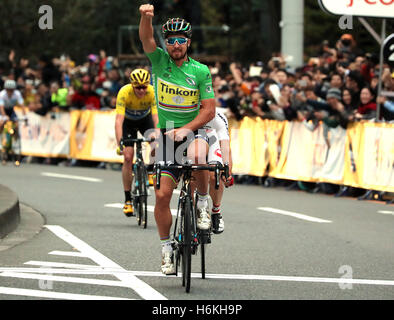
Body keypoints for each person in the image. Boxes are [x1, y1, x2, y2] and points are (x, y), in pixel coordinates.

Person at [139, 4, 216, 275]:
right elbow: (146, 39)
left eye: (181, 40)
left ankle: (203, 204)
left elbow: (209, 110)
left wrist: (187, 130)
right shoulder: (160, 62)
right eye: (170, 40)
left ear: (188, 42)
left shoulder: (200, 71)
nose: (175, 44)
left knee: (198, 158)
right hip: (167, 134)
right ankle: (166, 249)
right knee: (161, 196)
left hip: (193, 131)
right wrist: (145, 18)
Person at [115, 68, 159, 217]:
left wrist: (157, 133)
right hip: (128, 122)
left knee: (156, 142)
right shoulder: (124, 92)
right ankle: (128, 200)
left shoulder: (152, 92)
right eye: (138, 87)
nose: (141, 90)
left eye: (144, 87)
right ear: (132, 85)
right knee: (128, 157)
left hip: (145, 120)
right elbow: (118, 120)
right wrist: (119, 143)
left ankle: (150, 170)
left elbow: (156, 117)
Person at [203, 109, 234, 234]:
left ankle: (216, 211)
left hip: (212, 139)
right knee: (192, 171)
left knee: (215, 173)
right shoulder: (186, 111)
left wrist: (227, 171)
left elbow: (226, 147)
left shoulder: (218, 117)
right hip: (191, 138)